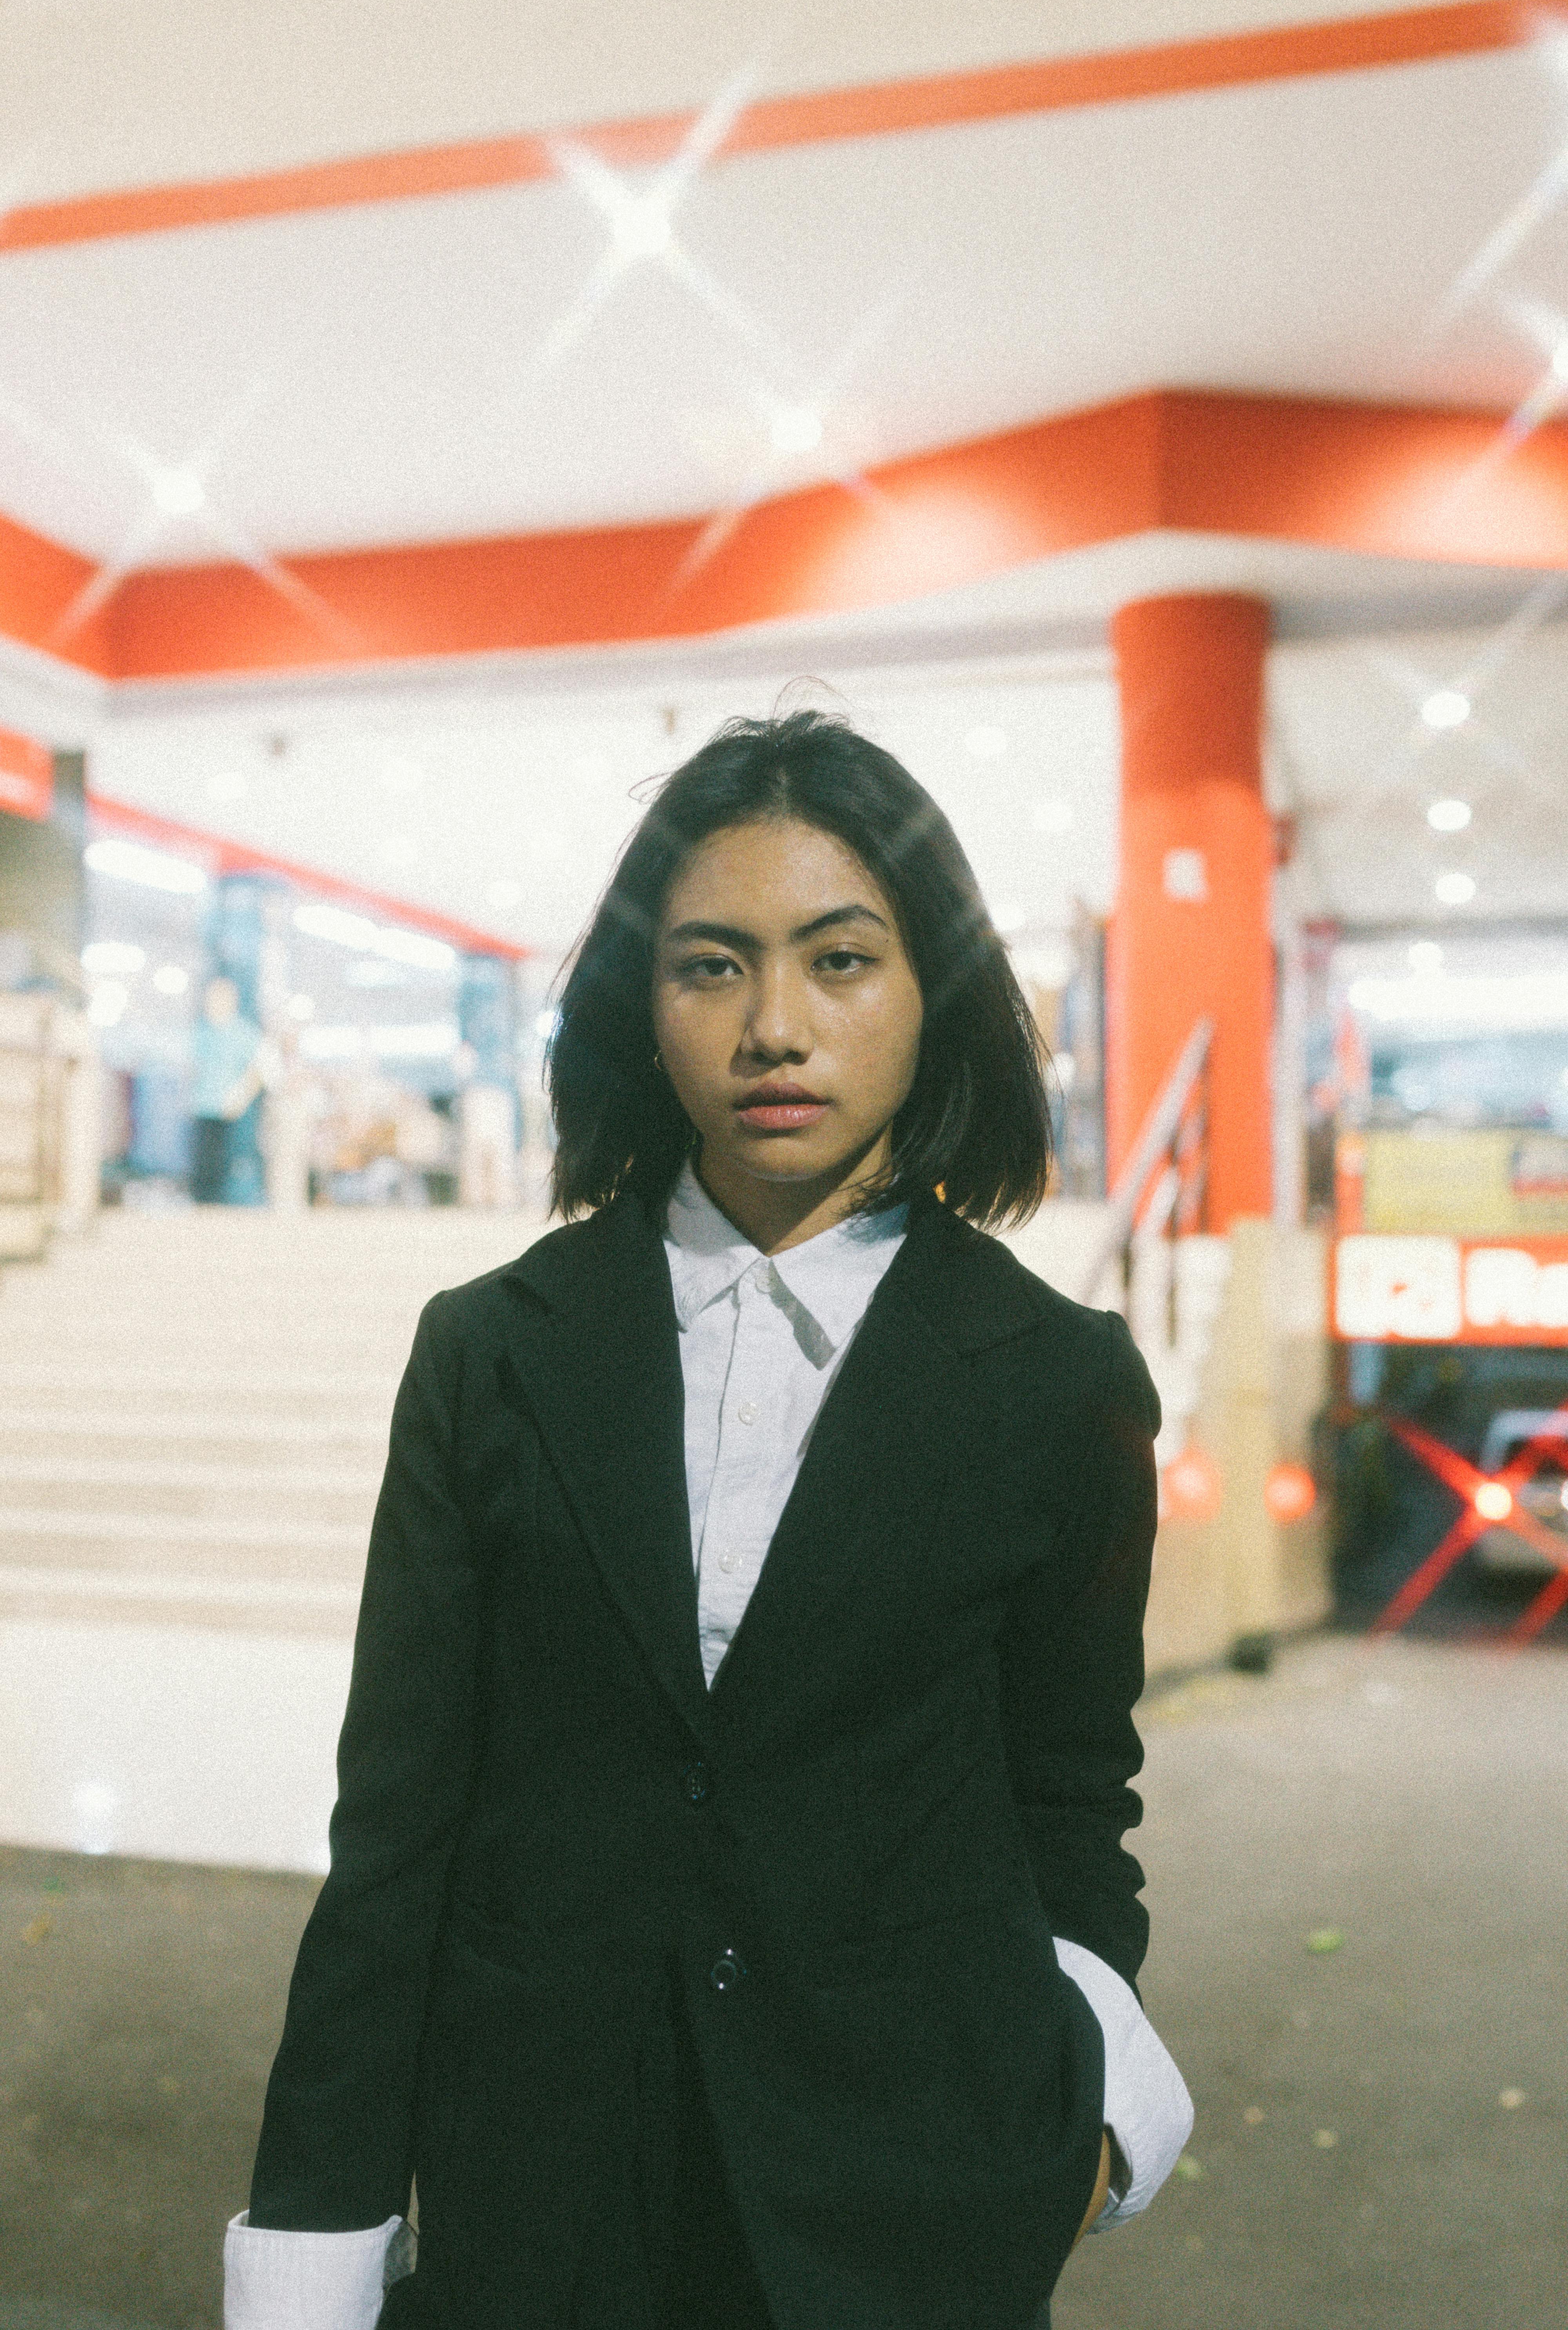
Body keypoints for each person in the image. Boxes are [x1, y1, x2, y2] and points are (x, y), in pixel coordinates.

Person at [225, 710, 1192, 2330]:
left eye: (840, 959)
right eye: (711, 966)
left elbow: (1069, 1795)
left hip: (910, 2214)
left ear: (934, 990)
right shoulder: (493, 1352)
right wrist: (317, 2235)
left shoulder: (1052, 1381)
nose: (774, 1028)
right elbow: (396, 1834)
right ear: (640, 1001)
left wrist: (1080, 2123)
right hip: (545, 2205)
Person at [189, 973, 268, 1204]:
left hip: (234, 1112)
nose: (212, 1003)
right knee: (205, 1163)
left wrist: (241, 1097)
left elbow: (259, 1070)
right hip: (203, 1109)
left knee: (233, 1166)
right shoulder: (201, 1032)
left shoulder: (244, 1034)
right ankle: (204, 1206)